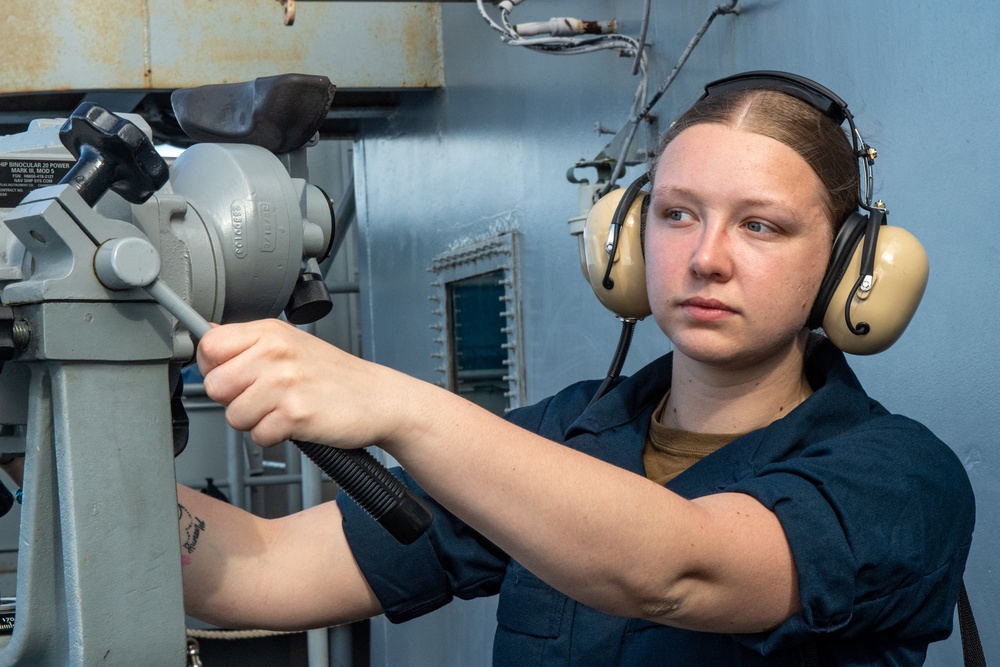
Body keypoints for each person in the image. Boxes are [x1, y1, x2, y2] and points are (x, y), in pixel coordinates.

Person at [177, 72, 975, 665]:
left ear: (848, 267)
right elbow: (259, 572)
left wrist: (396, 407)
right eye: (677, 213)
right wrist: (66, 432)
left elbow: (675, 567)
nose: (706, 258)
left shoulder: (902, 479)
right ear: (627, 238)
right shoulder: (567, 434)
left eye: (761, 226)